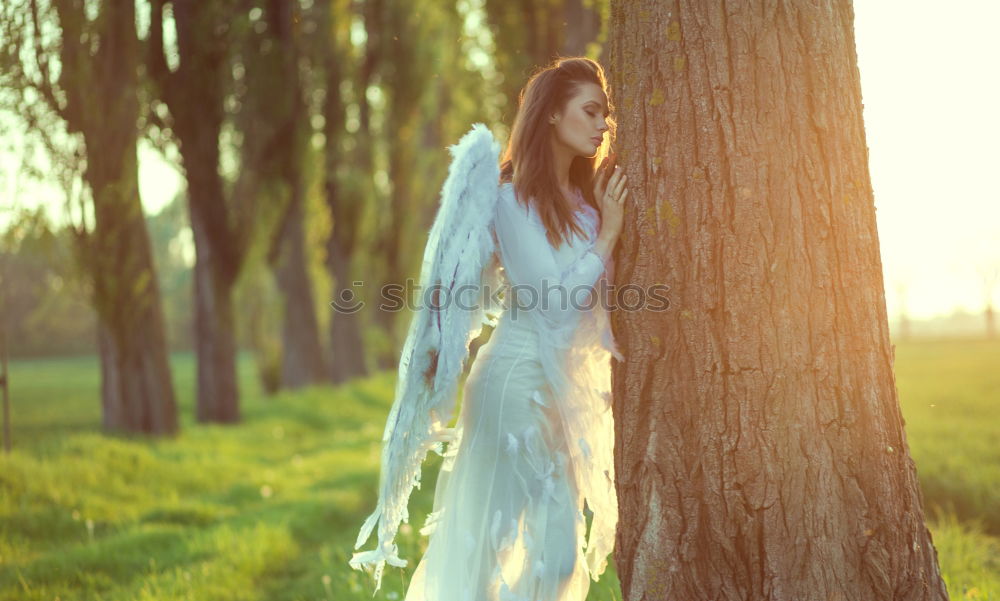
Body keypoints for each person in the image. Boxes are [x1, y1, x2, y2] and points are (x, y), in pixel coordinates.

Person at [402, 57, 629, 601]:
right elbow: (551, 303)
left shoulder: (587, 203)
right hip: (515, 385)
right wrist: (608, 239)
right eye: (590, 111)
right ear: (552, 114)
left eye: (606, 114)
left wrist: (604, 226)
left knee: (557, 559)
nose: (603, 125)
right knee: (481, 555)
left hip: (565, 395)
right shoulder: (510, 201)